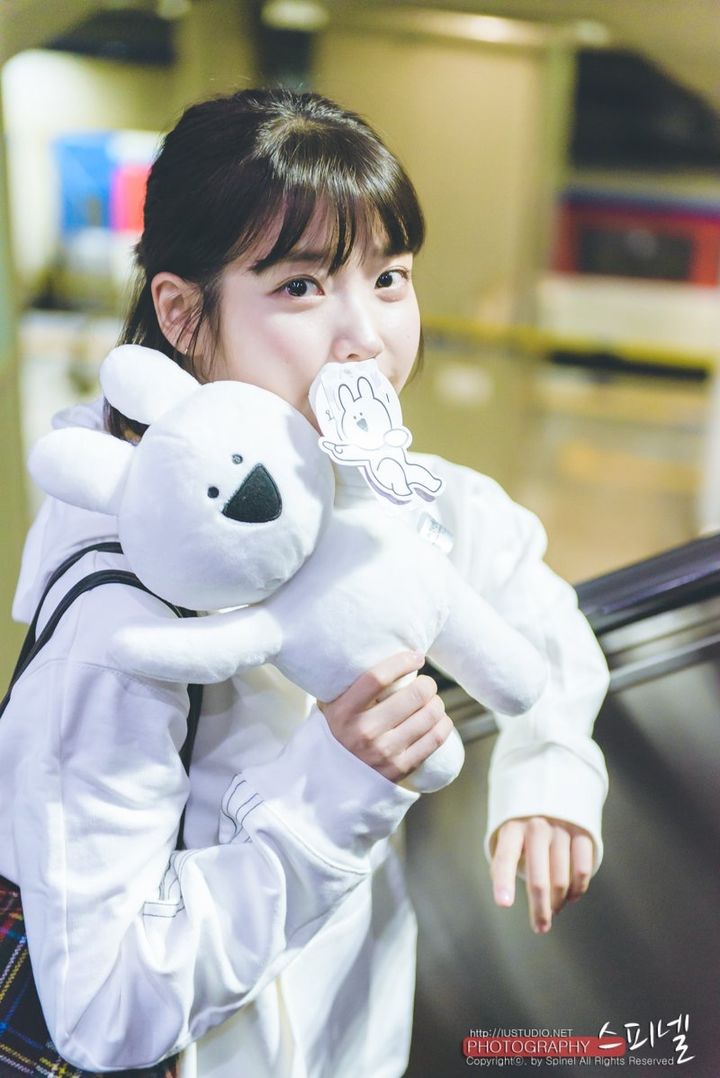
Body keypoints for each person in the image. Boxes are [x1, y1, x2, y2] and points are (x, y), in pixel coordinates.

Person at [0, 88, 609, 1077]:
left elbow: (543, 619)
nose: (365, 334)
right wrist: (336, 788)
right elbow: (106, 1008)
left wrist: (549, 775)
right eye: (300, 285)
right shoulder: (123, 614)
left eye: (390, 278)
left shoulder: (411, 502)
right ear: (182, 312)